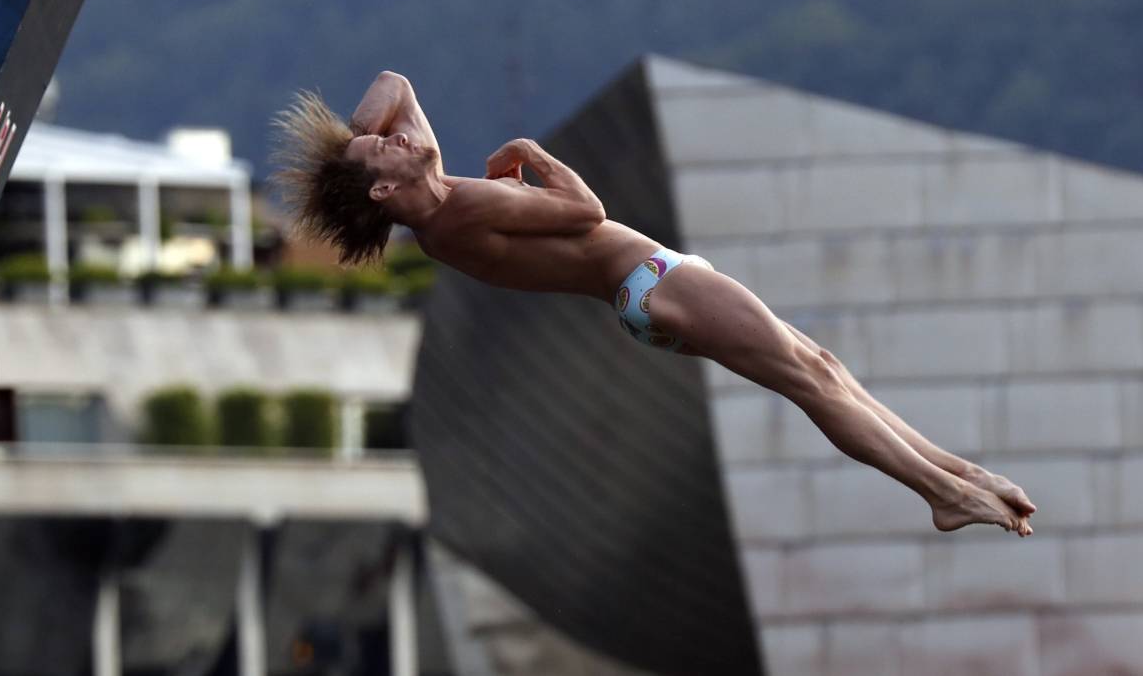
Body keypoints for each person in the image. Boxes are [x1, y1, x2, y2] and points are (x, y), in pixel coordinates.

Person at [273, 71, 1037, 535]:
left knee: (821, 366)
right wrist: (535, 156)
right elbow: (586, 211)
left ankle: (962, 476)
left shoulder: (430, 199)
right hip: (651, 282)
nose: (402, 136)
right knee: (809, 380)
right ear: (385, 188)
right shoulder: (456, 211)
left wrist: (356, 147)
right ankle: (941, 493)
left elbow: (396, 87)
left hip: (649, 284)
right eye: (387, 148)